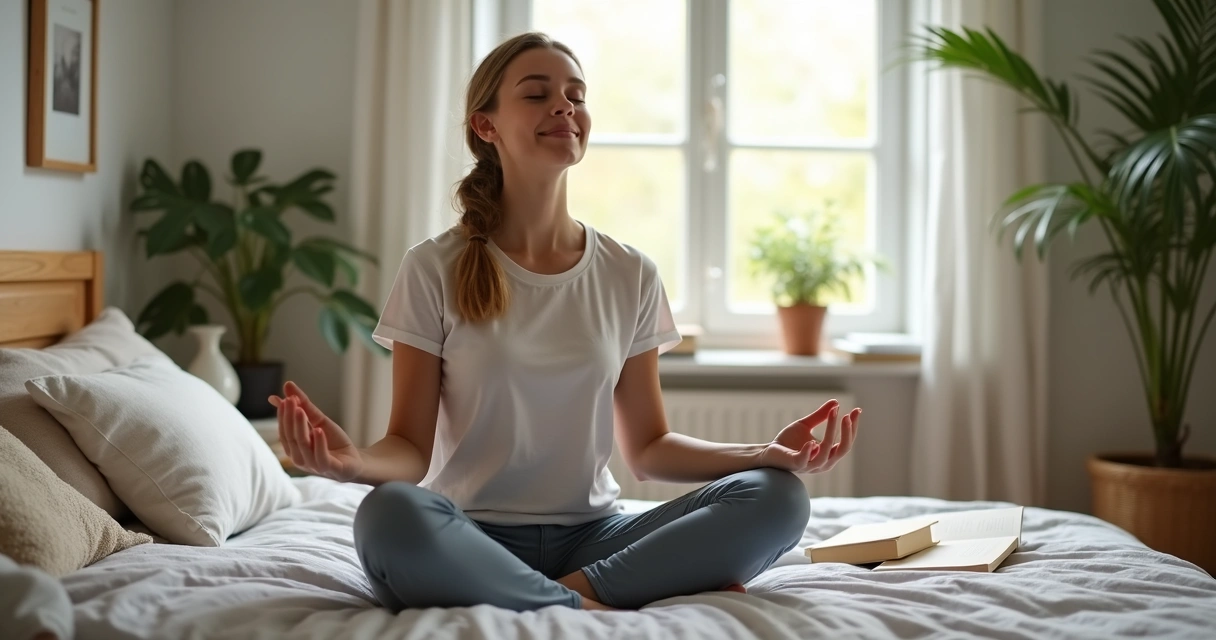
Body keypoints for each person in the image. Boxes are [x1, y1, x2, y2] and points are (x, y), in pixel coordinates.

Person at [268, 31, 861, 613]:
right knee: (389, 512)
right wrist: (353, 465)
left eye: (576, 95)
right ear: (486, 125)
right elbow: (408, 450)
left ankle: (565, 595)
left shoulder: (630, 272)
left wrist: (764, 451)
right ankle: (599, 595)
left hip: (595, 538)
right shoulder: (433, 267)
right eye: (536, 93)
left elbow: (650, 449)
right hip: (470, 534)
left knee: (778, 498)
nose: (565, 106)